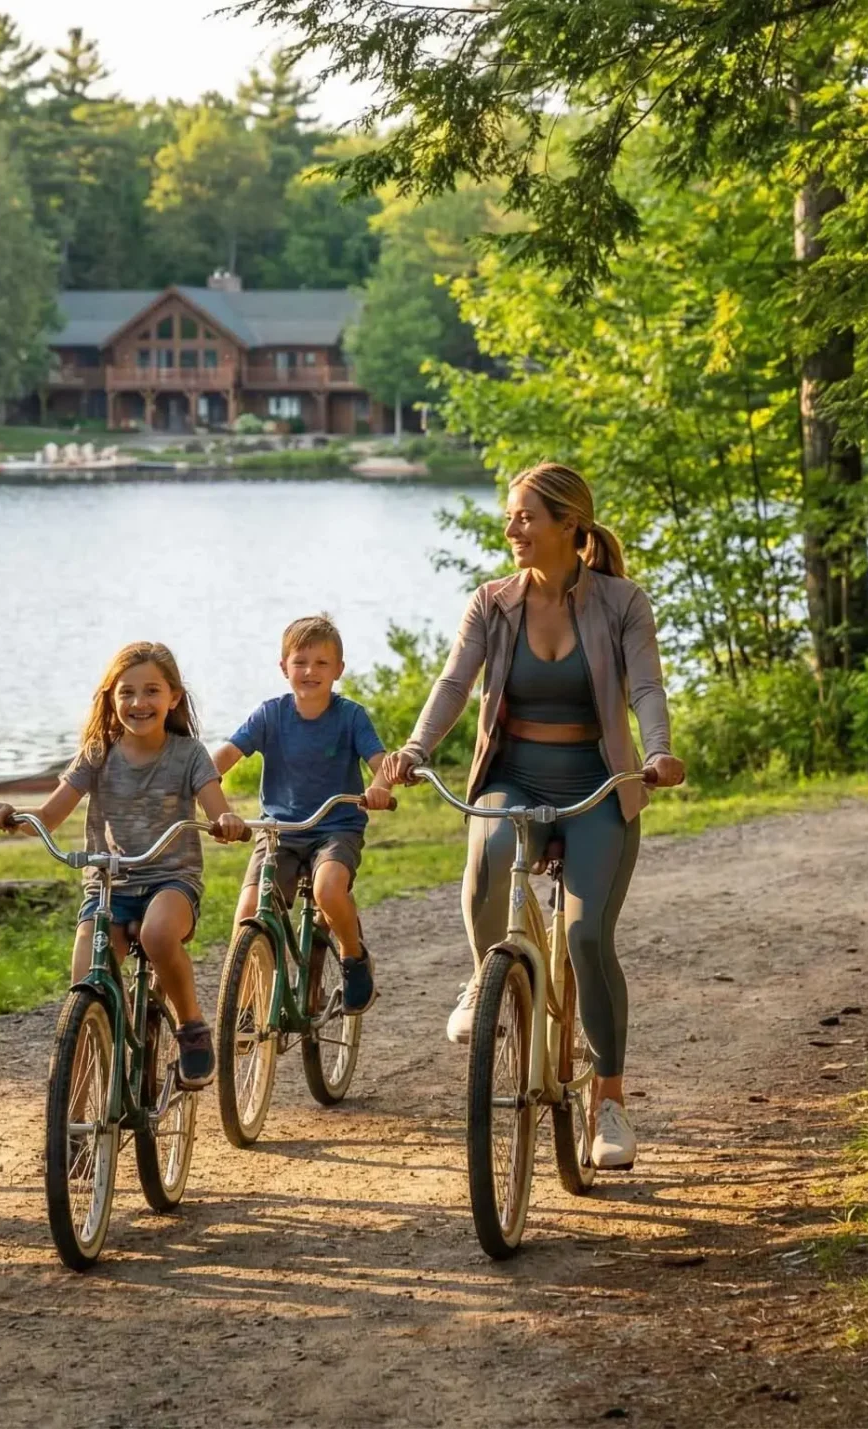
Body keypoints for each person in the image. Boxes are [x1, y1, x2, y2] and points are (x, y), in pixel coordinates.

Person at [375, 462, 685, 1171]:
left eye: (525, 517)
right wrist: (417, 749)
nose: (512, 528)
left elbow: (646, 686)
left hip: (599, 785)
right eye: (511, 516)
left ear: (568, 525)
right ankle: (487, 974)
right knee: (486, 865)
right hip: (512, 776)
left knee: (585, 935)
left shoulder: (622, 602)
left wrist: (660, 751)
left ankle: (608, 1099)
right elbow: (455, 681)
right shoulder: (492, 602)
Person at [0, 642, 246, 1088]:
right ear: (110, 697)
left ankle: (190, 1026)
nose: (139, 703)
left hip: (170, 880)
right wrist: (14, 817)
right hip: (109, 886)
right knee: (86, 984)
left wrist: (226, 822)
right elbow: (49, 816)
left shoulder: (189, 755)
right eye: (126, 692)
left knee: (158, 934)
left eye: (151, 691)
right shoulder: (97, 752)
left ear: (174, 698)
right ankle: (75, 1120)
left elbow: (215, 809)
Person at [213, 614, 398, 1013]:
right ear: (284, 668)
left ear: (338, 670)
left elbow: (381, 763)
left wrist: (380, 787)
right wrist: (201, 782)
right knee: (248, 911)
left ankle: (353, 956)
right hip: (278, 831)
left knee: (328, 889)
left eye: (321, 663)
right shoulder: (270, 715)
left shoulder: (351, 717)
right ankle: (245, 1006)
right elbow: (224, 757)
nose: (310, 671)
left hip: (336, 827)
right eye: (300, 662)